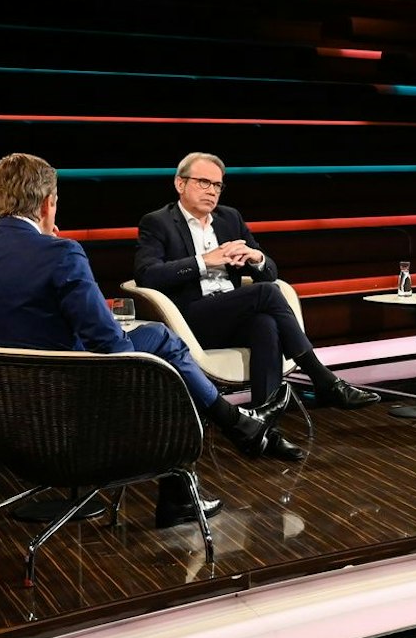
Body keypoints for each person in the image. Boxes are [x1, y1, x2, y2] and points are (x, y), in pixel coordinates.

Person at [0, 153, 288, 528]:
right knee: (160, 347)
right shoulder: (61, 253)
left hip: (7, 415)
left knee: (159, 348)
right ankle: (234, 427)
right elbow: (110, 344)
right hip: (69, 411)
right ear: (48, 203)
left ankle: (236, 427)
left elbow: (19, 322)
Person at [133, 152, 380, 462]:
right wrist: (202, 262)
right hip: (192, 320)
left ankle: (266, 432)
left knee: (266, 323)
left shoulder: (229, 218)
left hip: (232, 315)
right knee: (264, 295)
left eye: (218, 185)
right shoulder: (158, 222)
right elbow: (147, 275)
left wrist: (255, 257)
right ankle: (323, 380)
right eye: (203, 182)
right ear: (180, 183)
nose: (211, 190)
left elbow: (271, 271)